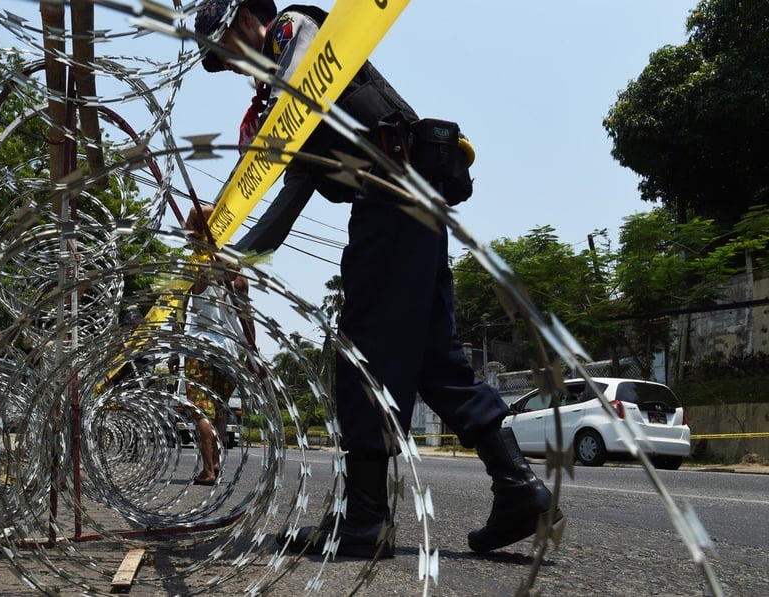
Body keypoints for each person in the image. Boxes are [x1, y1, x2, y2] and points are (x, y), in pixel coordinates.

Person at [192, 0, 562, 558]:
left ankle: (365, 521)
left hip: (392, 201)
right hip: (407, 203)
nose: (231, 62)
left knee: (360, 352)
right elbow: (282, 187)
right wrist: (224, 242)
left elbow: (288, 179)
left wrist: (238, 251)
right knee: (437, 363)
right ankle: (519, 490)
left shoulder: (296, 35)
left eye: (226, 45)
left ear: (249, 15)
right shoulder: (276, 96)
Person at [178, 220, 253, 486]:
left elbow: (180, 312)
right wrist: (252, 354)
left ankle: (208, 470)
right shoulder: (241, 281)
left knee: (200, 412)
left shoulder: (198, 273)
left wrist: (176, 349)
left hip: (201, 347)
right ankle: (217, 463)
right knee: (219, 411)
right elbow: (247, 320)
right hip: (231, 351)